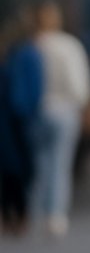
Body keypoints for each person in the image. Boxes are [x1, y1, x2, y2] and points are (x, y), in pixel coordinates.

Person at [30, 2, 90, 237]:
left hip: (37, 111)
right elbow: (78, 84)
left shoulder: (31, 45)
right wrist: (82, 102)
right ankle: (55, 215)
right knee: (60, 163)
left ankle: (37, 209)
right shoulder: (68, 45)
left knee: (40, 161)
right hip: (65, 110)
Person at [0, 14, 42, 236]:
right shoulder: (28, 54)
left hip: (12, 116)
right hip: (20, 117)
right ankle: (19, 213)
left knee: (12, 167)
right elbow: (36, 87)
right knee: (20, 166)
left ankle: (12, 214)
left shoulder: (15, 56)